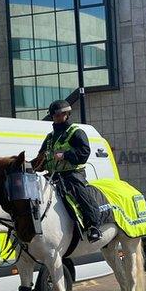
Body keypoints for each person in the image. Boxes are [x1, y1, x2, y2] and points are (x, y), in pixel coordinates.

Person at [36, 100, 102, 243]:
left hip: (72, 174)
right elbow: (41, 156)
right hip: (52, 176)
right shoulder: (49, 137)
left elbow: (84, 153)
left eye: (61, 114)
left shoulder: (76, 132)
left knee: (81, 195)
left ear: (67, 114)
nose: (58, 117)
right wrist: (32, 164)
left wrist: (65, 155)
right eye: (55, 115)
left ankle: (93, 227)